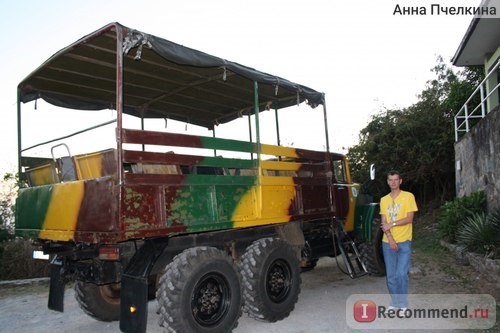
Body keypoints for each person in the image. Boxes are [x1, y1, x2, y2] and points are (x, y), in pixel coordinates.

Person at [380, 170, 418, 312]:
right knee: (391, 276)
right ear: (388, 182)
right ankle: (395, 303)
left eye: (396, 179)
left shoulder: (408, 197)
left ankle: (402, 304)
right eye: (390, 180)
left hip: (404, 241)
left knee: (401, 274)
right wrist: (390, 238)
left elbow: (409, 218)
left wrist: (393, 224)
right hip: (387, 242)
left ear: (400, 181)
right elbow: (384, 223)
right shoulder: (384, 200)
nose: (393, 182)